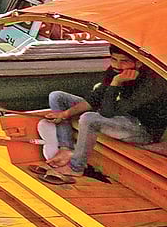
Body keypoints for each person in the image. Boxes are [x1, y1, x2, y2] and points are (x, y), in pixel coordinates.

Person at [38, 46, 167, 182]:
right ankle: (66, 148)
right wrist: (65, 114)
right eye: (114, 59)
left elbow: (107, 113)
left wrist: (116, 83)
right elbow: (94, 99)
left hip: (141, 129)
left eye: (124, 61)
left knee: (89, 119)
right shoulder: (115, 71)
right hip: (115, 114)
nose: (117, 65)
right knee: (57, 97)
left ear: (139, 63)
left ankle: (76, 168)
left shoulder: (153, 83)